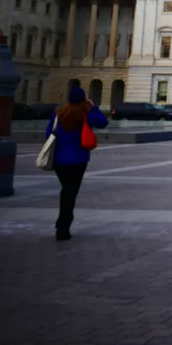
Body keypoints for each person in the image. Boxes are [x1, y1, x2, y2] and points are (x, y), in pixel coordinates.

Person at [46, 85, 109, 241]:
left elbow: (48, 133)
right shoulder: (86, 114)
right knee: (70, 193)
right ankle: (63, 227)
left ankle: (62, 224)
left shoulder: (59, 115)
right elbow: (103, 122)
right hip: (78, 159)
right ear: (83, 99)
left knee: (66, 191)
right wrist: (94, 108)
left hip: (59, 160)